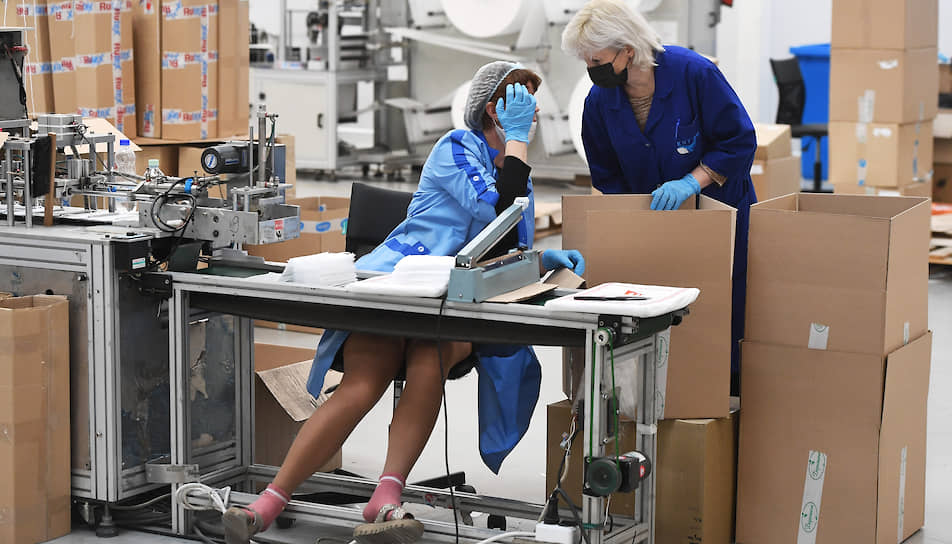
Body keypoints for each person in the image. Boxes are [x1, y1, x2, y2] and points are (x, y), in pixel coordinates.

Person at [221, 61, 586, 544]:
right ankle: (266, 504)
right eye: (520, 100)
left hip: (455, 305)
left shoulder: (518, 172)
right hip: (400, 285)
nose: (533, 111)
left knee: (429, 361)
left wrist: (540, 260)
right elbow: (494, 210)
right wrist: (516, 143)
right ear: (492, 110)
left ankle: (386, 498)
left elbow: (503, 244)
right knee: (363, 380)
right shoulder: (456, 147)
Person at [562, 0, 756, 391]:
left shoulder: (694, 73)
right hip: (653, 219)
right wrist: (628, 226)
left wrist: (691, 182)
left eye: (596, 60)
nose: (591, 69)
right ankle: (669, 394)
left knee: (722, 312)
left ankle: (725, 397)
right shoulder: (599, 103)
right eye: (585, 61)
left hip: (717, 213)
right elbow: (607, 175)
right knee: (659, 313)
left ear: (627, 50)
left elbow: (738, 141)